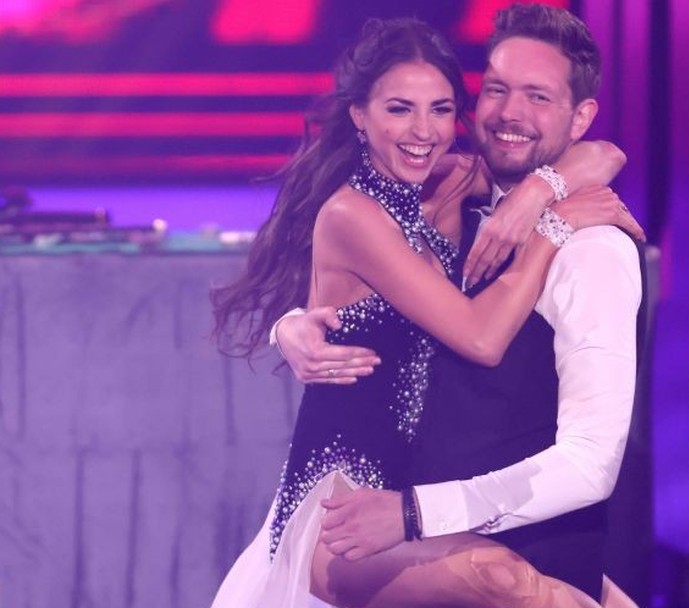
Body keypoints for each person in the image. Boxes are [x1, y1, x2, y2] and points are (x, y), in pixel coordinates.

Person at [210, 14, 639, 608]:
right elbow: (481, 339)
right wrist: (553, 224)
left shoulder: (450, 185)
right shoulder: (352, 214)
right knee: (511, 585)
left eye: (440, 109)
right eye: (399, 109)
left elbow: (600, 154)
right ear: (359, 114)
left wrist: (542, 190)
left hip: (412, 501)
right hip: (343, 502)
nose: (424, 130)